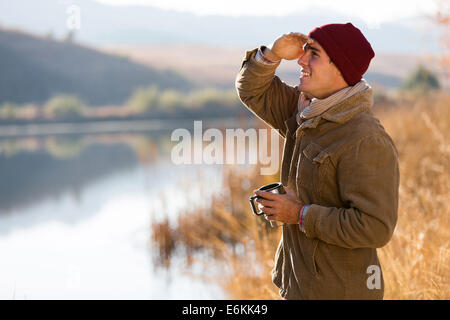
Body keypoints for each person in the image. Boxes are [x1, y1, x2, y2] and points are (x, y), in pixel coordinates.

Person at [235, 22, 400, 299]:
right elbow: (252, 90)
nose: (301, 60)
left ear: (341, 69)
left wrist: (299, 214)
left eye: (313, 53)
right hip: (298, 289)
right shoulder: (305, 111)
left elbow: (375, 227)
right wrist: (272, 54)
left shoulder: (366, 140)